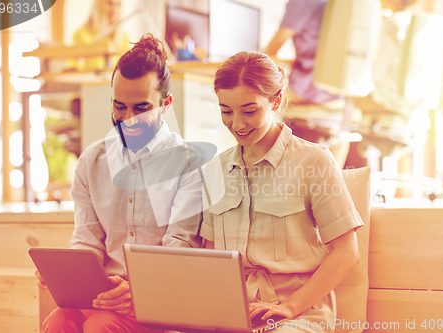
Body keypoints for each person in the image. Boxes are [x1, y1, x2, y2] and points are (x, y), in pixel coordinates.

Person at [36, 34, 203, 332]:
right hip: (102, 297)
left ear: (166, 105)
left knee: (102, 326)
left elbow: (179, 248)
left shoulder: (188, 163)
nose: (128, 120)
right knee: (58, 321)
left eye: (141, 108)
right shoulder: (92, 161)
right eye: (119, 107)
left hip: (159, 300)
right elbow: (86, 238)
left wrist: (137, 291)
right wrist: (67, 274)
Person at [200, 51, 363, 332]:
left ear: (275, 100)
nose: (237, 124)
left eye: (249, 111)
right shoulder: (215, 170)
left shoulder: (314, 161)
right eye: (226, 111)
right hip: (234, 313)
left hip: (297, 314)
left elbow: (347, 252)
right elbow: (212, 258)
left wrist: (289, 307)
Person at [264, 0, 338, 105]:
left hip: (307, 88)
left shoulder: (301, 2)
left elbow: (267, 54)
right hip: (335, 90)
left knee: (255, 93)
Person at [67, 0, 130, 71]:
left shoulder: (124, 36)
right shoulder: (81, 34)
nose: (114, 9)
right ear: (98, 5)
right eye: (109, 3)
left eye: (118, 5)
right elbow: (74, 65)